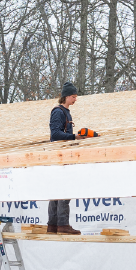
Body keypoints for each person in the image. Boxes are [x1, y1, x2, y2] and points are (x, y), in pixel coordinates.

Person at [47, 82, 82, 234]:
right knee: (63, 190)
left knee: (56, 190)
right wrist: (74, 136)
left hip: (62, 155)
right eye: (73, 97)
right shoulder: (58, 112)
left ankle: (53, 226)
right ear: (67, 96)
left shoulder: (65, 112)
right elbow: (55, 134)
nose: (75, 99)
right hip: (59, 156)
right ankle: (62, 225)